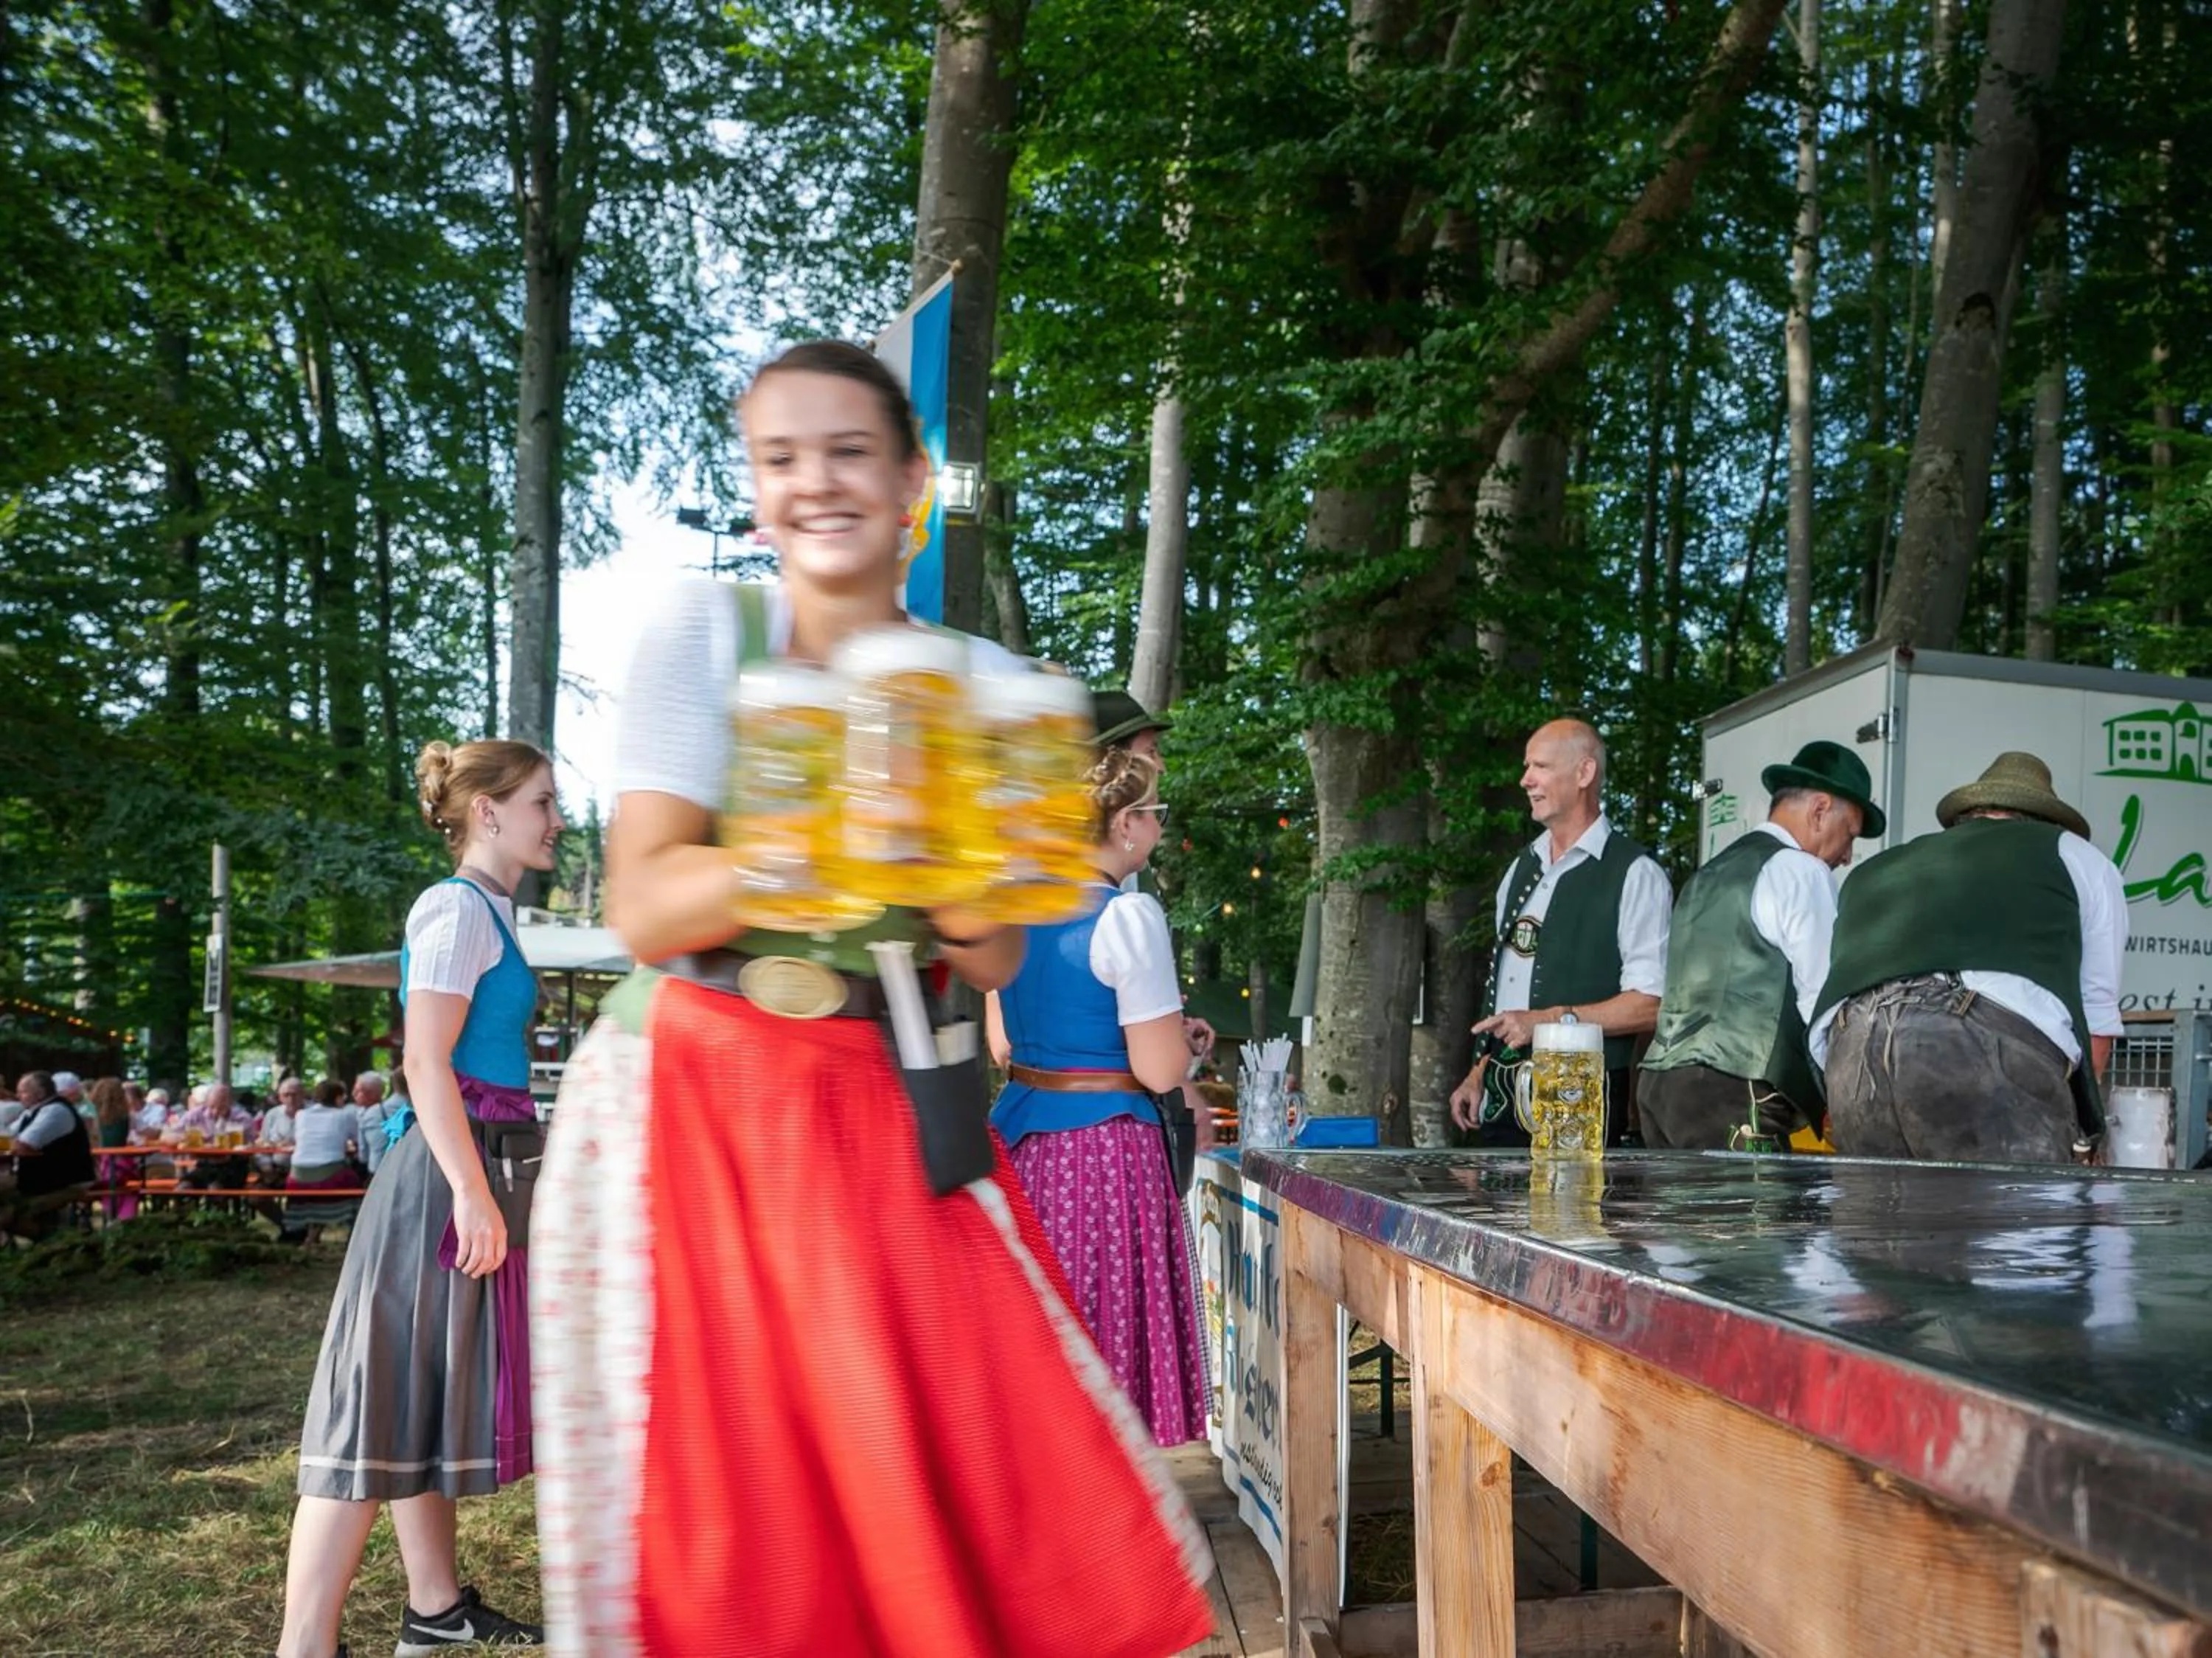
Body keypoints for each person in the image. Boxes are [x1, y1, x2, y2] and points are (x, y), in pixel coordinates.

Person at [532, 341, 1212, 1658]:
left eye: (847, 450)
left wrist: (957, 863)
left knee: (992, 1480)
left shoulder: (975, 681)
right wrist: (829, 838)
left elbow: (1000, 955)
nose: (813, 482)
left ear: (912, 482)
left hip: (887, 1100)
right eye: (779, 457)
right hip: (704, 1098)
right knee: (739, 1517)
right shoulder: (706, 632)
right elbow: (649, 904)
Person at [273, 738, 560, 1658]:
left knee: (418, 1392)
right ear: (489, 810)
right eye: (543, 802)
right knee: (376, 1397)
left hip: (475, 1164)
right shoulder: (456, 908)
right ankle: (304, 1644)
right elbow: (422, 1059)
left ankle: (434, 1611)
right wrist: (473, 1196)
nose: (558, 821)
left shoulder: (494, 913)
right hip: (443, 1176)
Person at [990, 747, 1213, 1446]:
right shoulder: (1128, 915)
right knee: (1105, 1327)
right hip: (1103, 1154)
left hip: (1022, 1147)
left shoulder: (1015, 911)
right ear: (1123, 825)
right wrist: (1181, 1044)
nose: (1157, 831)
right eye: (1154, 816)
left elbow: (1005, 1046)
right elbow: (1156, 1070)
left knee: (1041, 1328)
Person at [1811, 752, 2128, 1165]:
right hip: (1974, 1049)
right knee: (2018, 1226)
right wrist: (2085, 1134)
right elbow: (2097, 1015)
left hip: (1851, 1059)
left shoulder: (1879, 868)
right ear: (2048, 821)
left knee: (1879, 1226)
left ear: (1968, 817)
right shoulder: (2076, 856)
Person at [1638, 741, 1885, 1151]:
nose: (1847, 856)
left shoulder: (1707, 875)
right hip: (1737, 1094)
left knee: (1681, 1217)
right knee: (1755, 1216)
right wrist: (1852, 1098)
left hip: (1659, 1088)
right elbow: (1823, 1000)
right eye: (1850, 835)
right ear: (1820, 811)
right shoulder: (1801, 870)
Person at [1449, 718, 1672, 1145]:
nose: (1525, 779)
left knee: (1566, 1213)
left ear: (1584, 773)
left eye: (1541, 767)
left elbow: (1651, 1005)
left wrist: (1552, 1022)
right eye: (1526, 766)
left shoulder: (1635, 873)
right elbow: (1504, 989)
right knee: (1488, 1212)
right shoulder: (1521, 867)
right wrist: (1478, 1071)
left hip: (1580, 1096)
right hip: (1500, 1089)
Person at [1, 1071, 95, 1238]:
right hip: (39, 1178)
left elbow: (23, 1145)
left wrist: (11, 1146)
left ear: (41, 1093)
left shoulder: (55, 1111)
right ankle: (52, 1239)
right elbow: (9, 1140)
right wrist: (10, 1145)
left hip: (64, 1179)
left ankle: (53, 1238)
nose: (18, 1096)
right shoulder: (31, 1112)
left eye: (23, 1091)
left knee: (9, 1211)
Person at [282, 1080, 365, 1244]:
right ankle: (354, 1236)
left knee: (322, 1188)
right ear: (338, 1098)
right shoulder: (344, 1115)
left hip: (297, 1176)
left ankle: (312, 1236)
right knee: (358, 1184)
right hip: (330, 1176)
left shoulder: (301, 1115)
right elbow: (356, 1140)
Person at [350, 1071, 393, 1177]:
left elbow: (363, 1154)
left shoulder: (369, 1115)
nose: (353, 1094)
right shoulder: (391, 1109)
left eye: (357, 1091)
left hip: (377, 1169)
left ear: (370, 1093)